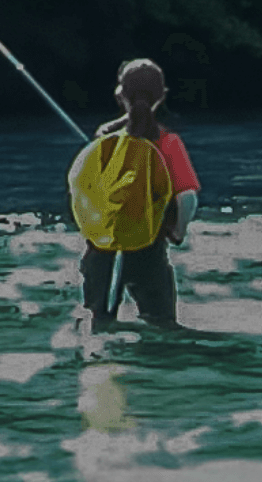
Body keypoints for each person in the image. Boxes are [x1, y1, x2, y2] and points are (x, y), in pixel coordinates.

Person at [79, 58, 199, 328]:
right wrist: (178, 232)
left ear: (119, 94)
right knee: (162, 327)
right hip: (149, 251)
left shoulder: (104, 139)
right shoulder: (168, 143)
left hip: (102, 251)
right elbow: (187, 197)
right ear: (163, 96)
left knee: (98, 326)